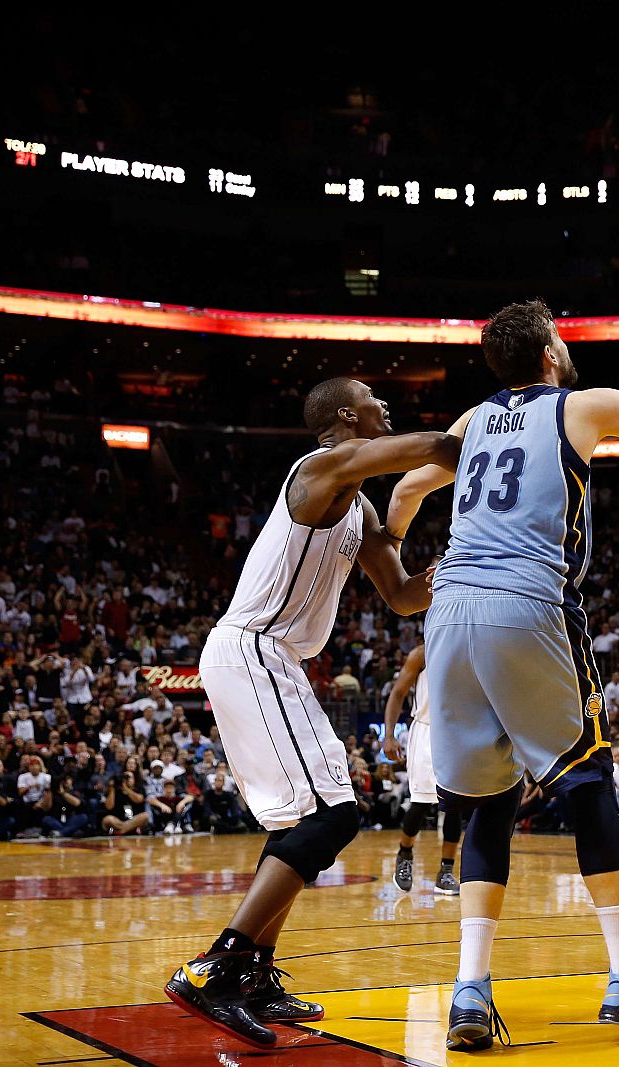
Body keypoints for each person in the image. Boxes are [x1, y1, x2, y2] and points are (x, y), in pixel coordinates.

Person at [387, 298, 619, 1050]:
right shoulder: (583, 404)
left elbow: (407, 492)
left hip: (448, 609)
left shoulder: (472, 420)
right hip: (527, 603)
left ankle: (470, 992)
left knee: (487, 802)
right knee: (587, 781)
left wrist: (394, 563)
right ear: (547, 352)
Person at [164, 378, 460, 1051]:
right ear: (349, 415)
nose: (388, 405)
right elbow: (423, 447)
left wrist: (461, 559)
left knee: (309, 818)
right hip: (253, 647)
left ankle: (256, 974)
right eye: (376, 400)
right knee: (336, 814)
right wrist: (493, 445)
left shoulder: (357, 512)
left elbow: (406, 596)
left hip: (275, 660)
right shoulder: (319, 468)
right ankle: (218, 965)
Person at [382, 643, 463, 896]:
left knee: (455, 805)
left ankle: (446, 871)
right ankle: (405, 854)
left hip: (457, 732)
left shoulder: (469, 646)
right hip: (426, 730)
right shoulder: (422, 653)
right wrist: (389, 735)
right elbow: (397, 693)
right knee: (420, 802)